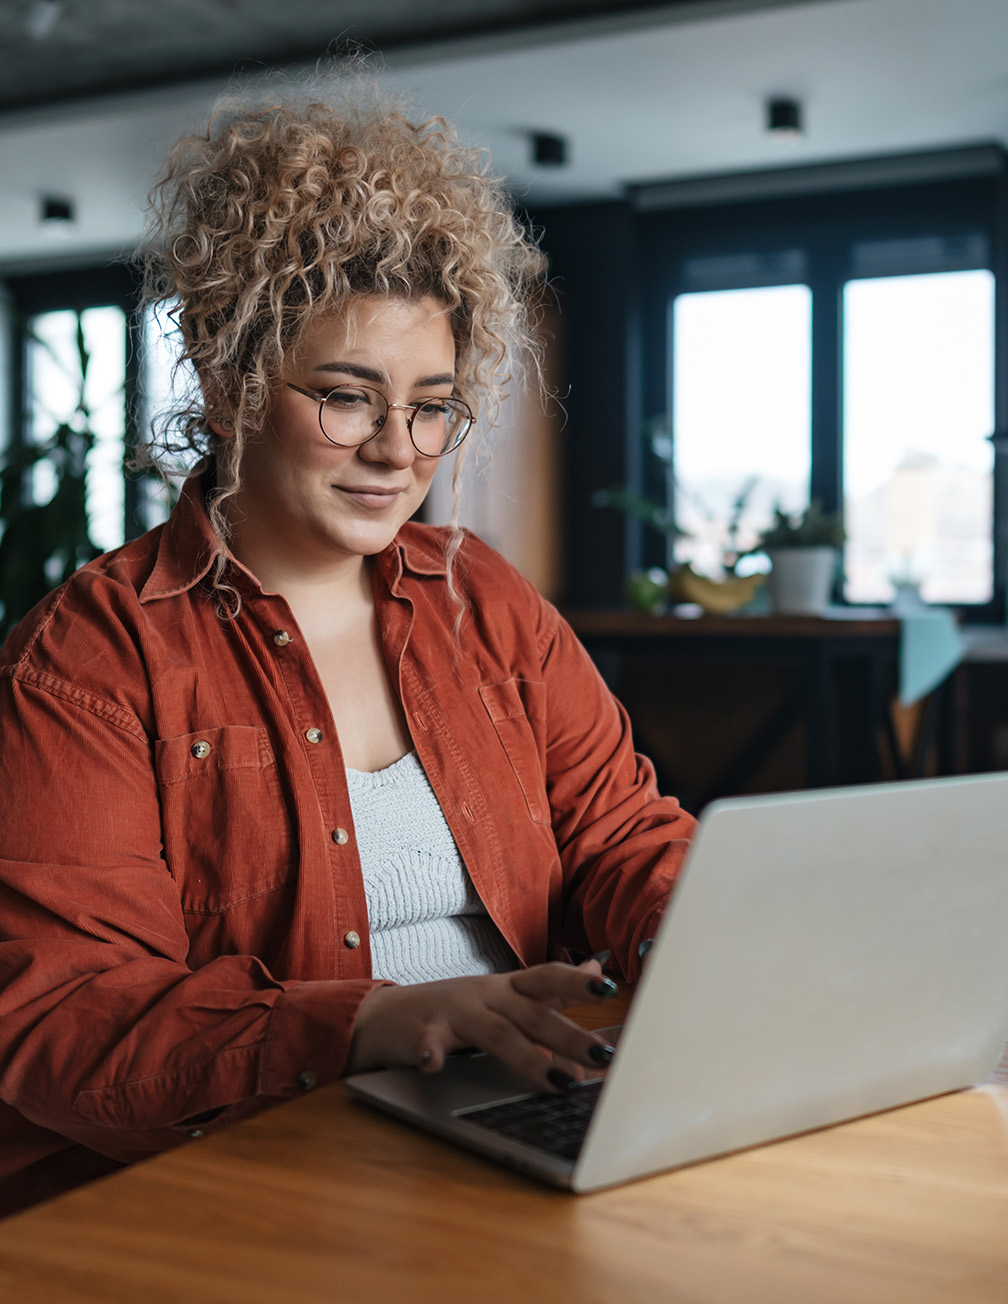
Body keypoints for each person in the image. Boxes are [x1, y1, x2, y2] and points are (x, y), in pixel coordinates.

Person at [0, 82, 695, 1216]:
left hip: (503, 1113)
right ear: (226, 384)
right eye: (345, 397)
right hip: (247, 1170)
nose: (396, 450)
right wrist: (374, 1018)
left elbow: (621, 836)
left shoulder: (487, 601)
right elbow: (69, 1013)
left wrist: (712, 923)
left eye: (431, 406)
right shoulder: (90, 661)